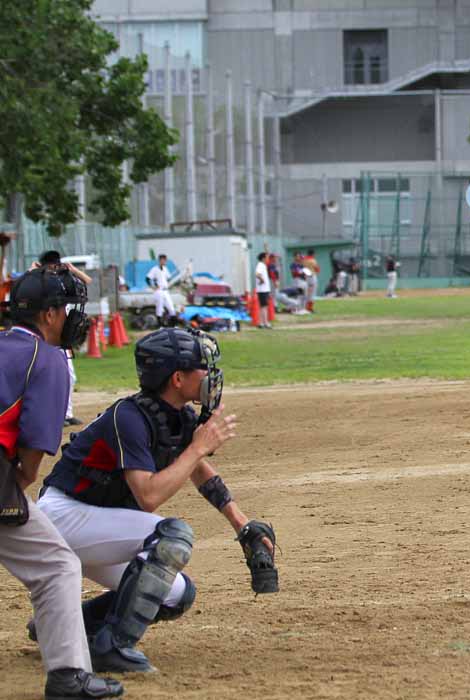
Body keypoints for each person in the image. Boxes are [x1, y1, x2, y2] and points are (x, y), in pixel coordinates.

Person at [35, 327, 277, 673]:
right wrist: (196, 447)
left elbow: (199, 470)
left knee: (175, 594)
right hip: (64, 516)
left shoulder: (174, 415)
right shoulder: (129, 417)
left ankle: (68, 629)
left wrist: (241, 523)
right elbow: (148, 496)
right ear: (177, 378)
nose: (210, 375)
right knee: (171, 535)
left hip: (96, 525)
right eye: (201, 367)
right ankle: (113, 646)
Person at [0, 268, 123, 699]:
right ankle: (68, 675)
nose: (73, 318)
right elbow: (32, 461)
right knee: (57, 566)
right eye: (68, 309)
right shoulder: (46, 358)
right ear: (50, 314)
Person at [34, 251, 93, 426]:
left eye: (56, 264)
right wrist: (34, 270)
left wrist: (72, 269)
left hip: (63, 334)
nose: (54, 268)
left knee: (69, 375)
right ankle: (54, 415)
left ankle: (66, 414)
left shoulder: (63, 279)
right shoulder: (38, 281)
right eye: (51, 265)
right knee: (49, 376)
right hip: (48, 333)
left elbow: (88, 282)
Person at [146, 254, 176, 328]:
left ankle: (173, 325)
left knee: (171, 308)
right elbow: (147, 278)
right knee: (159, 308)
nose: (164, 261)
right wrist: (153, 286)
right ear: (160, 260)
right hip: (159, 291)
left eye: (165, 260)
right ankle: (160, 326)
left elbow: (169, 278)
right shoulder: (155, 269)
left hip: (165, 290)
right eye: (163, 260)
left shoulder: (165, 269)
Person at [254, 252, 272, 329]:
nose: (268, 259)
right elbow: (257, 274)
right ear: (263, 258)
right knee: (264, 306)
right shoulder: (260, 265)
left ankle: (261, 323)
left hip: (263, 289)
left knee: (262, 306)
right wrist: (262, 280)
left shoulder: (262, 265)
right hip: (263, 290)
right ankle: (265, 323)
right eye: (267, 257)